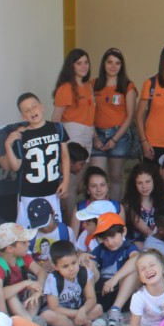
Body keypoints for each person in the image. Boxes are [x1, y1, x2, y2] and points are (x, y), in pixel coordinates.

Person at [5, 92, 70, 226]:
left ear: (42, 107)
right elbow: (15, 166)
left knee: (52, 228)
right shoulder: (22, 135)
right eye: (26, 110)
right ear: (23, 116)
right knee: (28, 232)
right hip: (29, 193)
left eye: (34, 106)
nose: (32, 111)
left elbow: (64, 155)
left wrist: (66, 181)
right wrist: (7, 145)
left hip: (53, 191)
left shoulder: (57, 128)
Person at [51, 48, 96, 216]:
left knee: (79, 181)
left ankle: (77, 219)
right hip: (72, 133)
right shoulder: (66, 88)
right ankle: (71, 222)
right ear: (71, 66)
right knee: (70, 183)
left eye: (86, 62)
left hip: (88, 133)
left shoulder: (88, 86)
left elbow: (91, 115)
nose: (83, 66)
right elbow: (55, 118)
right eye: (79, 63)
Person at [90, 47, 137, 200]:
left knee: (115, 177)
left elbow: (130, 116)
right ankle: (96, 214)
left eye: (117, 63)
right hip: (97, 134)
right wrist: (95, 136)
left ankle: (115, 212)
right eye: (109, 62)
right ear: (104, 64)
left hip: (120, 136)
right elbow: (88, 113)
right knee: (96, 178)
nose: (113, 66)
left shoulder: (127, 86)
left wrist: (115, 139)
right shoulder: (93, 84)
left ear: (121, 66)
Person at [40, 241, 106, 326]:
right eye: (65, 266)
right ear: (56, 267)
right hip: (62, 314)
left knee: (98, 308)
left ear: (77, 258)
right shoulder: (53, 279)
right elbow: (54, 308)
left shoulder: (83, 272)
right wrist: (78, 314)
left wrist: (82, 311)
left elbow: (91, 298)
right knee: (46, 315)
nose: (71, 269)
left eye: (74, 263)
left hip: (79, 310)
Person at [89, 212, 140, 326]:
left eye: (113, 237)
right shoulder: (100, 248)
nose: (109, 242)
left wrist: (114, 279)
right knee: (88, 264)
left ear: (124, 232)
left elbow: (137, 258)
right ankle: (88, 305)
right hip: (103, 292)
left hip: (123, 294)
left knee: (135, 269)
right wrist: (84, 258)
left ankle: (115, 311)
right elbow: (91, 265)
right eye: (105, 239)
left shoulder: (129, 247)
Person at [0, 222, 46, 322]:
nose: (28, 244)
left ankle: (30, 321)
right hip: (10, 308)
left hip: (26, 302)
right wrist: (26, 283)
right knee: (12, 297)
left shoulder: (23, 257)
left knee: (35, 288)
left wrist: (38, 287)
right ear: (10, 248)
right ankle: (30, 323)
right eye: (24, 242)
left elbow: (41, 271)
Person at [122, 161, 164, 246]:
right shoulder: (129, 203)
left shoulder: (163, 199)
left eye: (147, 181)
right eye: (140, 183)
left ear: (154, 181)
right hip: (138, 243)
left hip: (161, 239)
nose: (144, 187)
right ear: (134, 184)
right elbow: (147, 231)